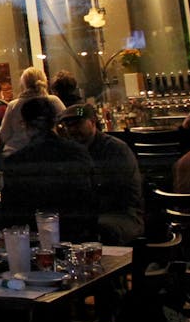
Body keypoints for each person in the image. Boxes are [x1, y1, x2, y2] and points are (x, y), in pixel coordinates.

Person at [0, 96, 97, 242]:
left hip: (35, 238)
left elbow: (11, 213)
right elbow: (90, 196)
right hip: (78, 233)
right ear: (54, 123)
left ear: (24, 124)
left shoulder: (16, 161)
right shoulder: (78, 153)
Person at [55, 102, 144, 244]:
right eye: (68, 126)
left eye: (77, 124)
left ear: (92, 122)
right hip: (89, 213)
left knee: (93, 227)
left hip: (121, 213)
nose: (72, 130)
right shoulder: (71, 152)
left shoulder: (115, 149)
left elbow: (121, 194)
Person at [0, 67, 66, 155]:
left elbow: (4, 134)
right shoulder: (53, 101)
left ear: (23, 83)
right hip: (49, 151)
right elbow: (65, 124)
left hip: (16, 151)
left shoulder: (13, 105)